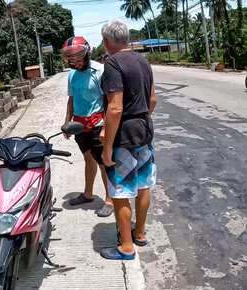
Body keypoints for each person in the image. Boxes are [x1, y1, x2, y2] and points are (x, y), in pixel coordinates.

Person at [99, 20, 157, 260]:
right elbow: (152, 100)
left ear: (106, 41)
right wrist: (140, 119)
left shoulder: (113, 63)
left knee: (120, 190)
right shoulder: (143, 61)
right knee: (143, 184)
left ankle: (126, 246)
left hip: (123, 134)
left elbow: (115, 109)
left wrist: (108, 145)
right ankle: (140, 234)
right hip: (144, 131)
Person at [62, 36, 114, 217]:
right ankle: (88, 194)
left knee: (103, 163)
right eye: (72, 59)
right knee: (88, 159)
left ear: (86, 54)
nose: (75, 62)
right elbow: (71, 100)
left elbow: (108, 101)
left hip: (98, 123)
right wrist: (67, 122)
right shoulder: (72, 75)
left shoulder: (100, 71)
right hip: (79, 125)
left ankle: (110, 199)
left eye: (78, 58)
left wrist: (106, 127)